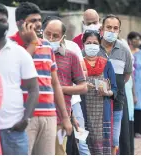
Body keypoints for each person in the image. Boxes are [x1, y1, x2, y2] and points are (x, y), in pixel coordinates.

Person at [10, 2, 72, 155]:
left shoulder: (46, 46)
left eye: (39, 20)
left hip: (49, 116)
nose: (38, 25)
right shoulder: (10, 45)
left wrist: (65, 117)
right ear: (20, 23)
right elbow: (15, 70)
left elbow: (55, 83)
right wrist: (32, 43)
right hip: (24, 116)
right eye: (33, 21)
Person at [0, 4, 39, 155]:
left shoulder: (19, 53)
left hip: (13, 130)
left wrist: (26, 119)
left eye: (2, 20)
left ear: (8, 24)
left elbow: (34, 89)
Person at [42, 17, 87, 155]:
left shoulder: (71, 57)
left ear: (62, 37)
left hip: (60, 119)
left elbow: (83, 87)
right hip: (37, 116)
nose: (50, 38)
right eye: (47, 34)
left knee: (59, 151)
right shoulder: (33, 54)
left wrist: (61, 89)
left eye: (55, 36)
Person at [98, 14, 133, 154]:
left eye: (115, 28)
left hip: (117, 101)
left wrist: (114, 88)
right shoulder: (92, 47)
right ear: (102, 29)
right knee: (97, 137)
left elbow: (127, 75)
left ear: (119, 31)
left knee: (114, 138)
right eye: (108, 27)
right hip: (95, 102)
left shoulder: (124, 50)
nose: (111, 31)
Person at [80, 30, 117, 155]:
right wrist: (83, 87)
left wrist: (108, 92)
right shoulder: (78, 63)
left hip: (103, 113)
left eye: (95, 43)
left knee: (102, 147)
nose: (92, 45)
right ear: (83, 44)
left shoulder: (107, 64)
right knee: (83, 143)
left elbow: (115, 89)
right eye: (88, 42)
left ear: (99, 44)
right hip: (83, 111)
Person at [127, 32, 141, 137]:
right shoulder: (126, 52)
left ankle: (139, 130)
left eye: (139, 39)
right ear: (130, 40)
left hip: (140, 83)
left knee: (140, 105)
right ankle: (130, 130)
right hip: (128, 82)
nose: (138, 41)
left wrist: (140, 77)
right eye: (135, 39)